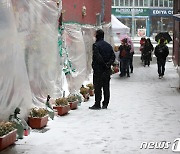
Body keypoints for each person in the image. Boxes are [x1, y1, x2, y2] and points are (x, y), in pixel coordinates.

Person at [89, 29, 115, 110]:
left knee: (98, 87)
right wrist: (108, 64)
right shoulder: (108, 45)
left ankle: (97, 104)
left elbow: (97, 56)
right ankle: (105, 103)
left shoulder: (96, 45)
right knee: (106, 87)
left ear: (97, 35)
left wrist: (103, 64)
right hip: (107, 70)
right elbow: (113, 56)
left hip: (98, 70)